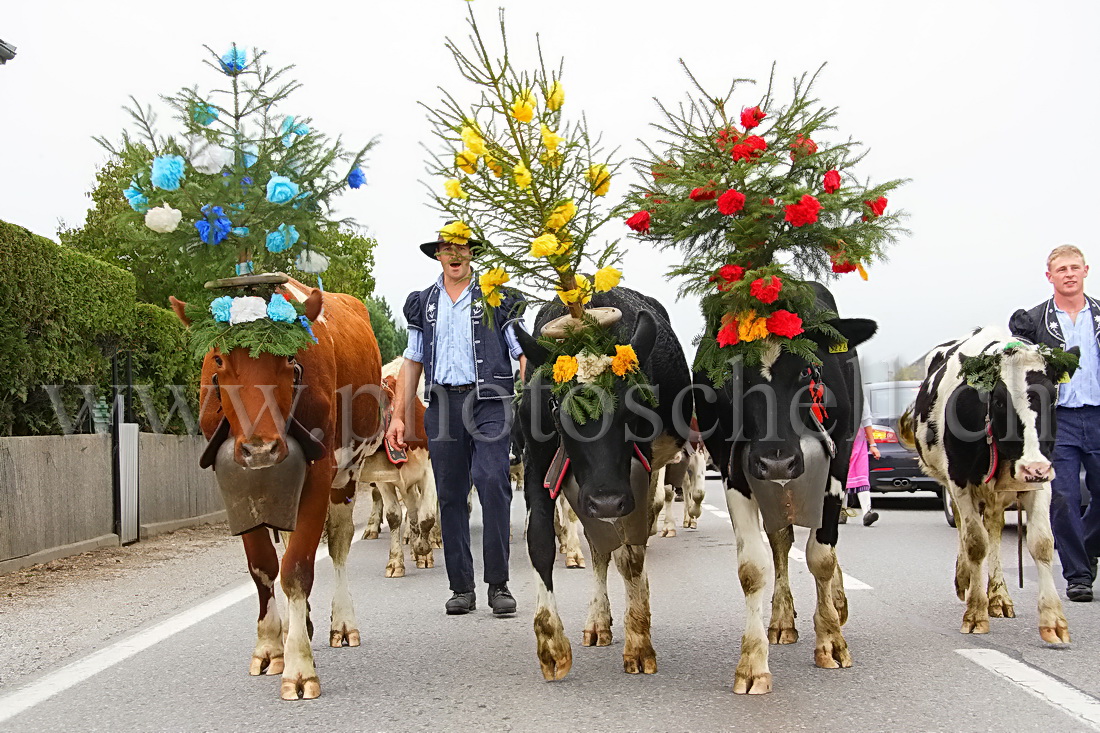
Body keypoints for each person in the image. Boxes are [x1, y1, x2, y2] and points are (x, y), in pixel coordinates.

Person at [386, 227, 527, 615]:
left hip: (491, 401)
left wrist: (529, 394)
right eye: (447, 248)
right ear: (438, 256)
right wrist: (398, 416)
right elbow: (412, 360)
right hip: (443, 403)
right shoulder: (423, 303)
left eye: (461, 248)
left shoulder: (496, 297)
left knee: (492, 480)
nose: (454, 254)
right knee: (449, 493)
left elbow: (521, 350)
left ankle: (498, 584)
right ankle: (461, 587)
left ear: (471, 254)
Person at [1010, 244, 1100, 603]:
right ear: (1050, 276)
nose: (1069, 274)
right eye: (1061, 269)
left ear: (1086, 270)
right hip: (1057, 421)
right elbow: (1017, 373)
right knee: (1062, 496)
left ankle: (1088, 546)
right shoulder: (1032, 322)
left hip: (1098, 415)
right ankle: (1078, 575)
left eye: (1074, 267)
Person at [842, 396, 881, 526]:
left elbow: (866, 420)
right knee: (841, 476)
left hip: (858, 441)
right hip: (839, 440)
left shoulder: (859, 395)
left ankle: (866, 512)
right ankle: (841, 511)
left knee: (861, 475)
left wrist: (873, 445)